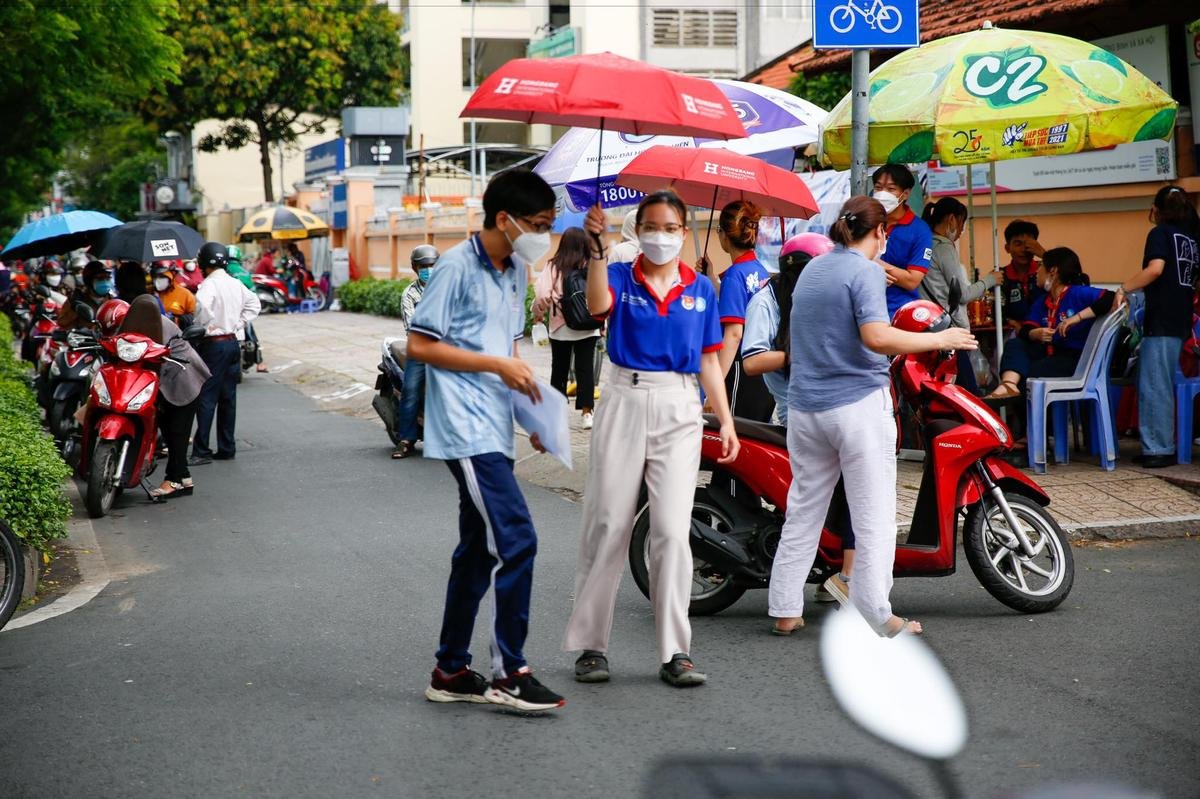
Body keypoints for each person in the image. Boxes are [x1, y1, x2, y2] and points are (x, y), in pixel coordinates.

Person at [769, 195, 976, 638]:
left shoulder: (811, 271)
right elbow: (877, 337)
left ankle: (785, 609)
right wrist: (944, 339)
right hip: (857, 408)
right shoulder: (865, 271)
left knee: (804, 509)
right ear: (881, 233)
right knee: (875, 515)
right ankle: (879, 615)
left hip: (806, 409)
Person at [564, 190, 739, 688]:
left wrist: (724, 420)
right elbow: (597, 307)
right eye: (651, 226)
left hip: (680, 408)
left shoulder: (702, 287)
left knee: (670, 530)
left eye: (669, 228)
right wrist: (597, 250)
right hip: (623, 398)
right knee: (608, 522)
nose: (660, 235)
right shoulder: (619, 274)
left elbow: (709, 359)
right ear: (637, 230)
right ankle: (591, 645)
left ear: (684, 233)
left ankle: (675, 652)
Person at [406, 169, 565, 713]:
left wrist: (535, 417)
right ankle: (509, 672)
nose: (544, 235)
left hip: (496, 423)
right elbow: (420, 346)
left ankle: (450, 670)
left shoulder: (516, 269)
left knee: (477, 551)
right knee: (517, 539)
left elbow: (509, 352)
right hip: (464, 426)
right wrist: (496, 364)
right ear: (505, 219)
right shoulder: (454, 268)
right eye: (539, 225)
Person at [742, 232, 856, 608]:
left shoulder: (825, 296)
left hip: (840, 404)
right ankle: (845, 580)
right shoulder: (767, 300)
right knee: (846, 492)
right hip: (800, 413)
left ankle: (830, 580)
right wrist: (795, 353)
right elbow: (753, 361)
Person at [1108, 186, 1199, 468]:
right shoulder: (1191, 239)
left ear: (1157, 209)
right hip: (1182, 319)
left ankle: (1158, 448)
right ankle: (1164, 443)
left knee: (1154, 385)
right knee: (1163, 383)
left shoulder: (1160, 234)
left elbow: (1155, 269)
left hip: (1161, 320)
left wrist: (1123, 287)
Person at [986, 247, 1116, 400]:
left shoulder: (1077, 293)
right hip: (1050, 354)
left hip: (1076, 360)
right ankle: (1009, 385)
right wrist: (1034, 333)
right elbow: (1027, 328)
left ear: (1053, 271)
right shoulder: (1044, 300)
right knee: (1015, 344)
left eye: (1041, 266)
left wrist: (1077, 318)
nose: (1036, 271)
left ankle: (1040, 423)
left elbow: (1110, 297)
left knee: (1029, 377)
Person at [702, 200, 776, 422]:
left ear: (725, 235)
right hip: (764, 368)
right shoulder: (759, 269)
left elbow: (734, 335)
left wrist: (714, 389)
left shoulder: (735, 275)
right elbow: (741, 303)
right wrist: (713, 280)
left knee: (735, 438)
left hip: (740, 371)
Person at [921, 197, 1002, 393]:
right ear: (952, 220)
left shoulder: (923, 244)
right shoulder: (944, 247)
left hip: (928, 328)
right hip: (951, 331)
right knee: (968, 393)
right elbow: (964, 294)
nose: (961, 231)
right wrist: (991, 280)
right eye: (962, 223)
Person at [190, 242, 261, 465]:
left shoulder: (209, 285)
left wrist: (205, 326)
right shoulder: (234, 283)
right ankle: (227, 447)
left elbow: (201, 308)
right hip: (232, 343)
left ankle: (201, 450)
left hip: (214, 345)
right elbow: (254, 305)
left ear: (203, 263)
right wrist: (237, 324)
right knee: (228, 397)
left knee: (207, 397)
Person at [532, 228, 599, 430]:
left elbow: (543, 294)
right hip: (589, 324)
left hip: (561, 325)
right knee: (585, 370)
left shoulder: (554, 265)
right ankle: (587, 414)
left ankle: (557, 413)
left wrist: (538, 313)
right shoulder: (592, 265)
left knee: (559, 369)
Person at [393, 243, 440, 459]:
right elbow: (412, 328)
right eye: (424, 266)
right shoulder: (409, 294)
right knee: (410, 390)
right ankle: (406, 439)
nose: (428, 269)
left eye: (432, 265)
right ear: (415, 268)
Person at [872, 164, 933, 319]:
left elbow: (912, 280)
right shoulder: (865, 222)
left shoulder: (920, 230)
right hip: (863, 307)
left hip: (899, 313)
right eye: (878, 188)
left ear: (905, 194)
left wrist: (877, 265)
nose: (882, 194)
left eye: (891, 189)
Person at [226, 245, 268, 373]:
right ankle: (260, 362)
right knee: (250, 330)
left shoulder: (222, 271)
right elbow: (253, 293)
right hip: (243, 308)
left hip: (229, 309)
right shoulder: (245, 272)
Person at [1000, 219, 1046, 332]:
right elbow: (994, 312)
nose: (1024, 250)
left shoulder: (1048, 270)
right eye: (1018, 244)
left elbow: (1071, 279)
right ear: (1007, 248)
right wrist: (1008, 322)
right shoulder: (999, 276)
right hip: (1013, 335)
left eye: (1028, 244)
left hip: (1046, 333)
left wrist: (1044, 254)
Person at [57, 260, 112, 329]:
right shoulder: (76, 301)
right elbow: (62, 323)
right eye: (100, 278)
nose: (105, 282)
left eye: (107, 278)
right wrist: (74, 310)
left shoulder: (112, 301)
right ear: (89, 281)